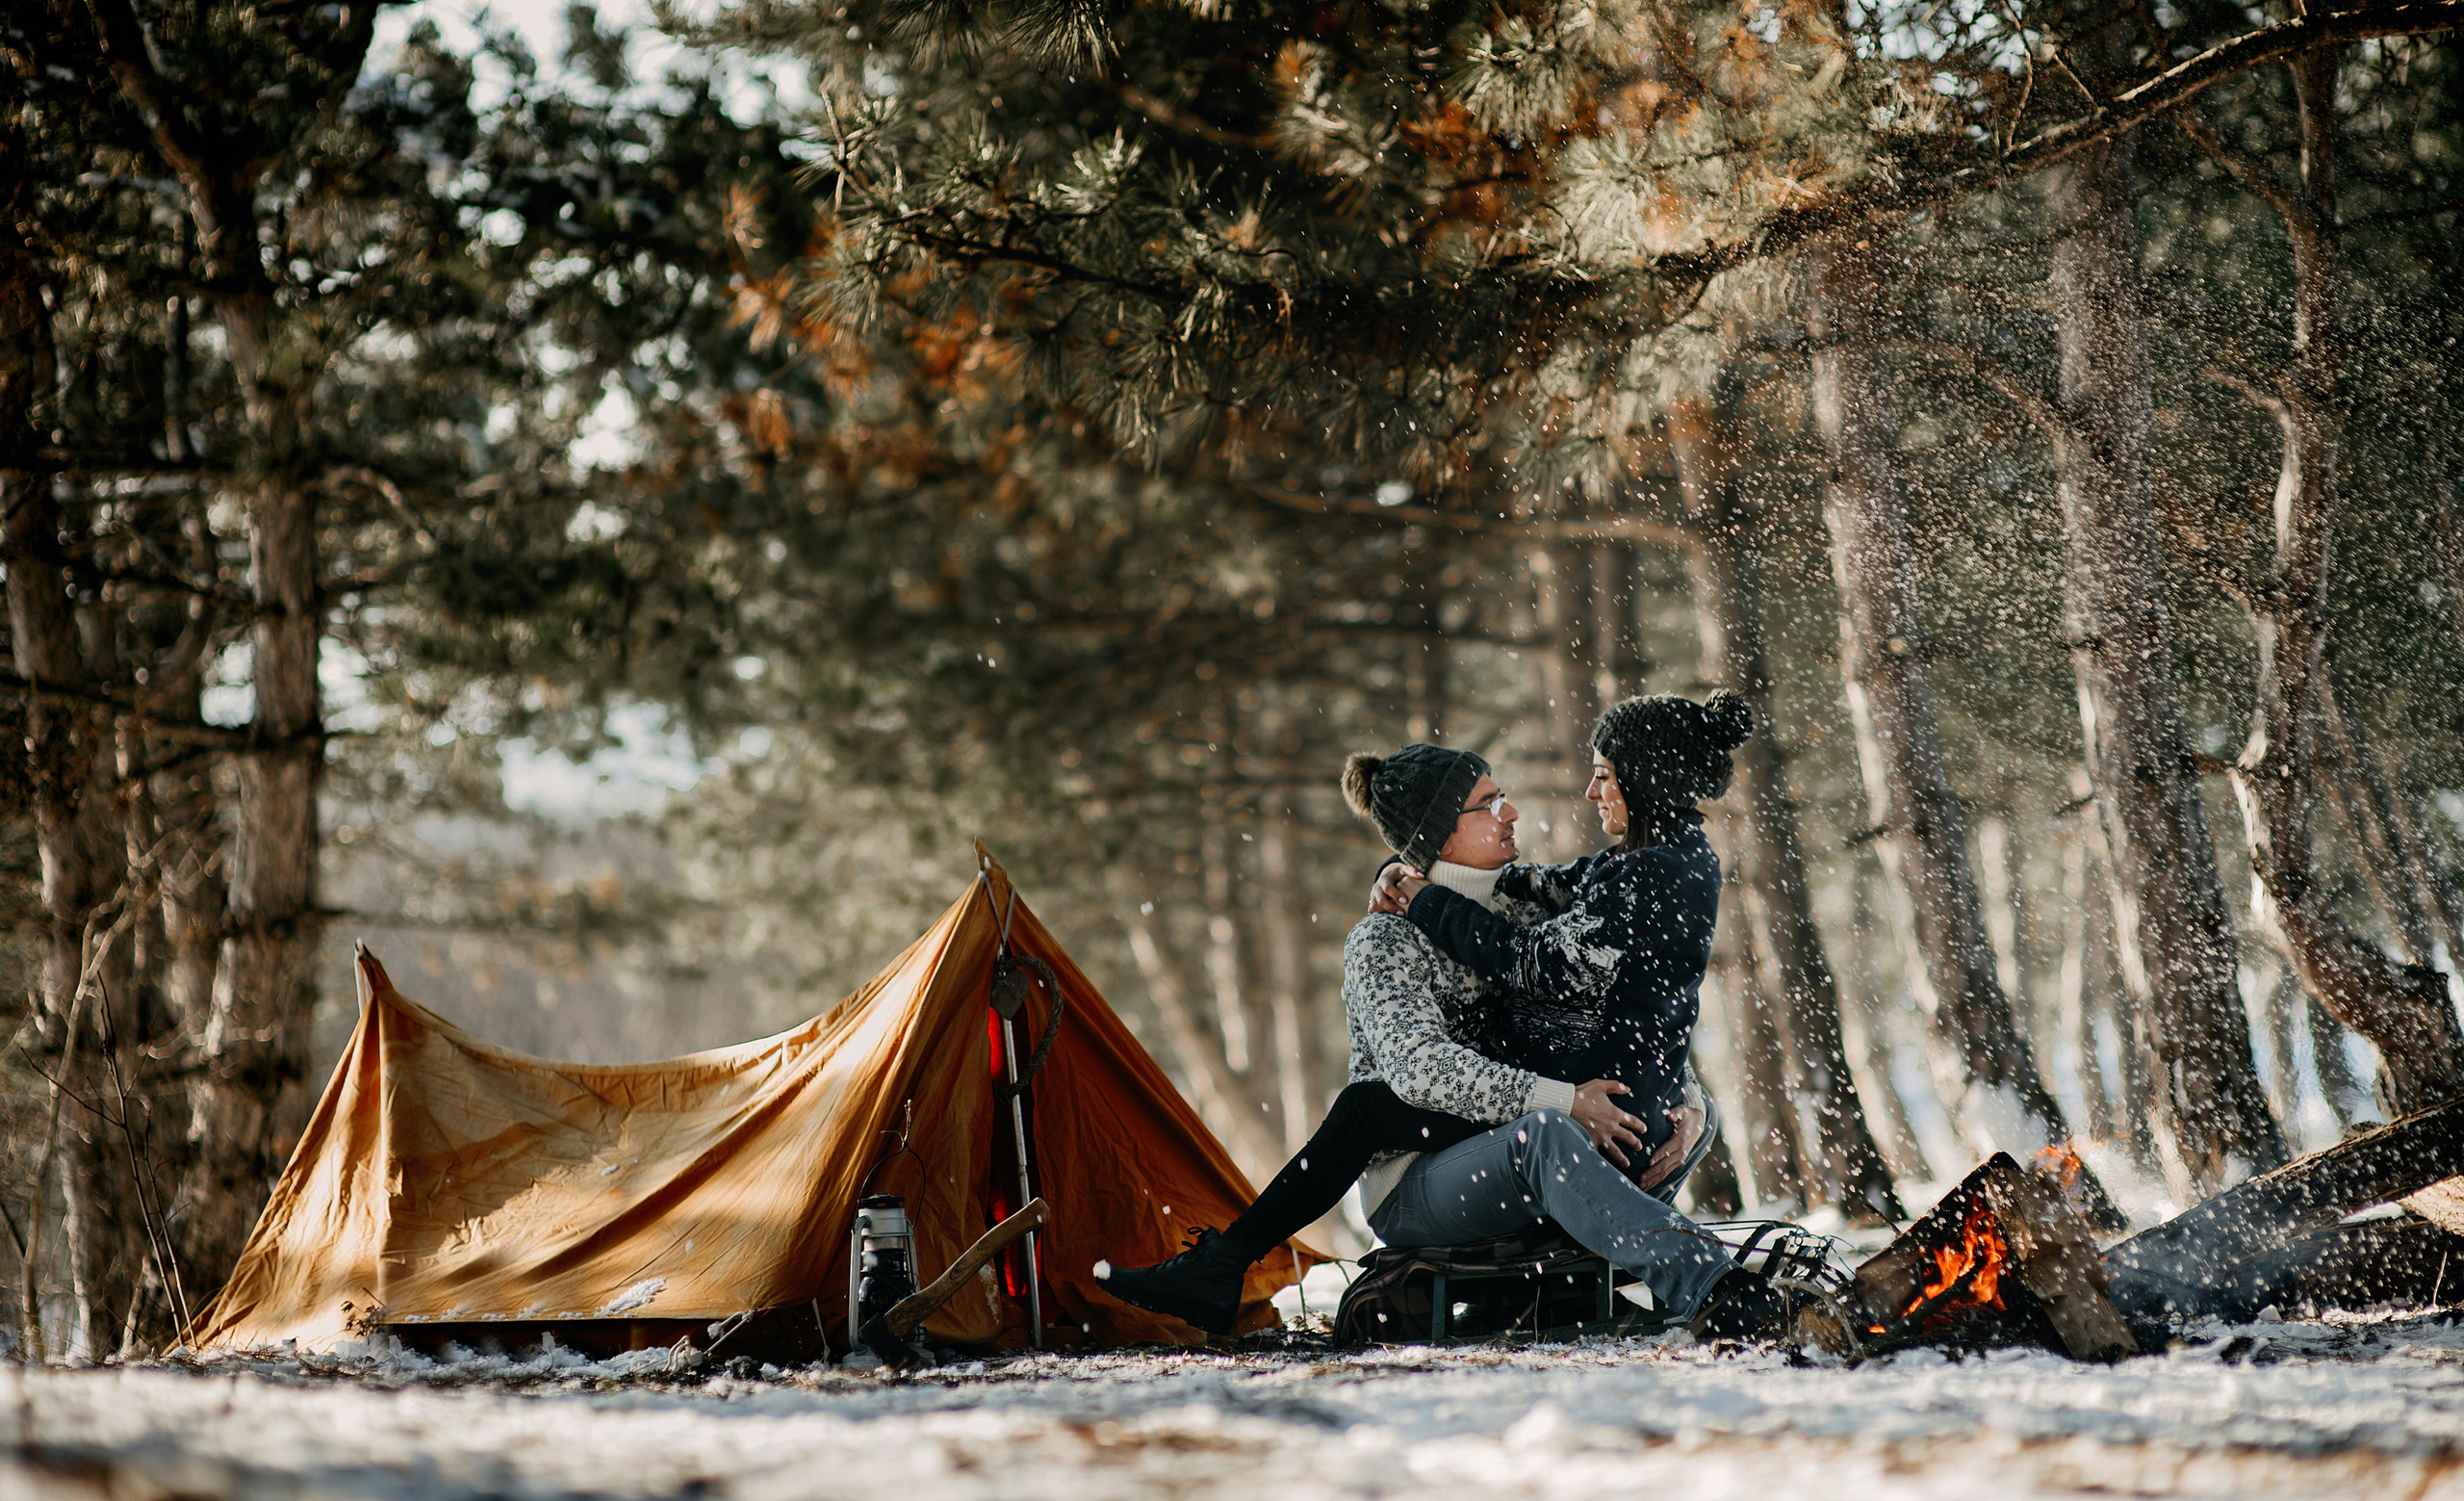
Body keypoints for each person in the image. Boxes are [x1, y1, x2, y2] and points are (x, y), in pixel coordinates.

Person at [1098, 715, 1776, 1337]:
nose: (1511, 811)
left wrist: (1686, 1095)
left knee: (1663, 1119)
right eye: (1487, 804)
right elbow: (1421, 1073)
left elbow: (1633, 979)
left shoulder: (1523, 900)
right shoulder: (1384, 942)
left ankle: (1569, 1283)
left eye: (1504, 793)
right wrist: (1564, 1100)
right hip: (1423, 1181)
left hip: (1523, 1150)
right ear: (1438, 832)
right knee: (1535, 1133)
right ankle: (1711, 1285)